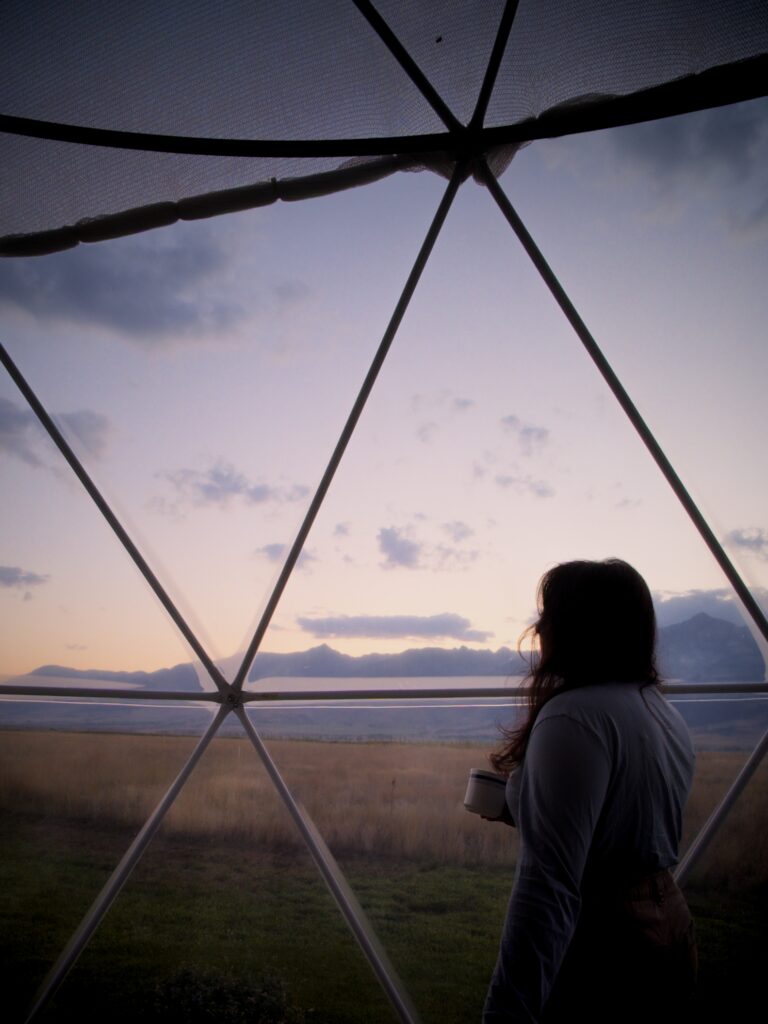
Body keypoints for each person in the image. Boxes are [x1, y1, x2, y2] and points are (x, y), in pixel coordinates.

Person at [482, 559, 697, 1023]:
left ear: (577, 627)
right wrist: (525, 807)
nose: (539, 629)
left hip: (605, 942)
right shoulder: (658, 710)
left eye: (550, 615)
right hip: (669, 921)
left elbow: (548, 886)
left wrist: (507, 1010)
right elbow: (622, 822)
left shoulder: (573, 717)